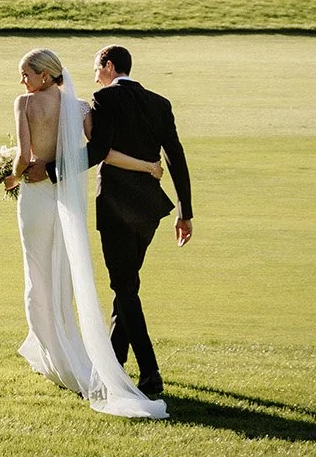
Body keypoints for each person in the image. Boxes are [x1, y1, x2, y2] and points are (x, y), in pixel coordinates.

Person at [3, 48, 169, 419]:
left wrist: (10, 176)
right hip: (63, 196)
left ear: (45, 75)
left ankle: (50, 352)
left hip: (35, 195)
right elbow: (98, 150)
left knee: (37, 273)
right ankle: (64, 347)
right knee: (63, 272)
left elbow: (24, 156)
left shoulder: (24, 104)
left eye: (26, 74)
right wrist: (146, 165)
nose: (22, 81)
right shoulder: (79, 108)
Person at [85, 44, 193, 400]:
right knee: (126, 285)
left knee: (124, 286)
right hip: (149, 209)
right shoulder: (159, 103)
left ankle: (150, 372)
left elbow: (98, 150)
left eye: (97, 69)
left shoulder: (104, 99)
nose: (95, 77)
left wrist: (52, 172)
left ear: (109, 65)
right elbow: (175, 157)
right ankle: (114, 362)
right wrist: (185, 212)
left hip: (116, 206)